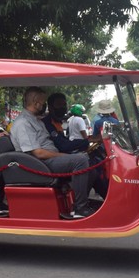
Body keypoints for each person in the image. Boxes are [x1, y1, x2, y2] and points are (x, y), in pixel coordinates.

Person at [10, 87, 99, 218]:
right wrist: (66, 156)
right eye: (43, 102)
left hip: (47, 159)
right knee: (80, 160)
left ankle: (78, 201)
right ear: (36, 103)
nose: (44, 105)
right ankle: (80, 208)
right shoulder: (23, 123)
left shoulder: (36, 119)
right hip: (40, 163)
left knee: (91, 167)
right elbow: (38, 153)